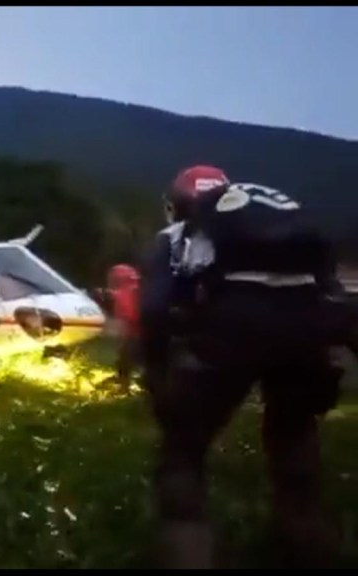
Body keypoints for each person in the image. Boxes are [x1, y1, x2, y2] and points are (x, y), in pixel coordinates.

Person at [138, 165, 346, 568]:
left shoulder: (179, 234)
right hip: (305, 333)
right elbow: (329, 290)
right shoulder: (282, 221)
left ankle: (189, 551)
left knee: (184, 451)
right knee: (293, 436)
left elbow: (153, 308)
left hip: (231, 330)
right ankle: (308, 541)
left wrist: (158, 373)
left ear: (177, 205)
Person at [106, 263, 141, 387]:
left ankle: (123, 385)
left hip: (133, 335)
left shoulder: (122, 294)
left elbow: (128, 316)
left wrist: (123, 337)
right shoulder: (137, 290)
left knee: (125, 360)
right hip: (144, 332)